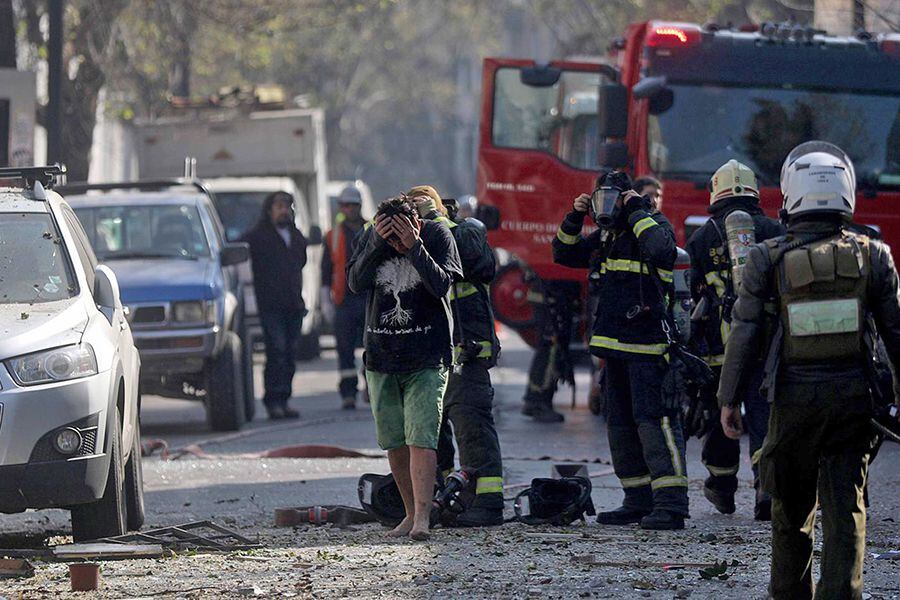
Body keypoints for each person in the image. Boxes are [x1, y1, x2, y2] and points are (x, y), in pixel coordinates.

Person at [718, 142, 900, 599]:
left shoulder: (766, 257)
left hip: (793, 401)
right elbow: (897, 335)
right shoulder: (874, 256)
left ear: (790, 194)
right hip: (854, 402)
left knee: (791, 509)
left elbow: (745, 333)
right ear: (847, 193)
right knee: (846, 510)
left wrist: (729, 399)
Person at [553, 171, 687, 530]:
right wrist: (574, 216)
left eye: (613, 197)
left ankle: (671, 504)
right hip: (613, 348)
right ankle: (637, 500)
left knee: (654, 424)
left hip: (648, 346)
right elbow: (563, 253)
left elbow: (663, 251)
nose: (607, 205)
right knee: (621, 427)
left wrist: (636, 209)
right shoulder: (606, 236)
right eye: (602, 198)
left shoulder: (651, 223)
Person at [347, 194, 462, 540]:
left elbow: (442, 284)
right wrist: (378, 244)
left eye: (402, 233)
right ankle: (409, 514)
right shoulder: (373, 239)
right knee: (394, 441)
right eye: (390, 235)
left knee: (422, 438)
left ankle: (424, 519)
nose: (396, 242)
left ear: (416, 224)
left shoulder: (437, 236)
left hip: (426, 357)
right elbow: (355, 282)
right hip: (382, 357)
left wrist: (414, 246)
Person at [685, 160, 784, 520]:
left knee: (719, 418)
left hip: (717, 348)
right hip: (765, 344)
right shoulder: (774, 229)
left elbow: (693, 295)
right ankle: (766, 491)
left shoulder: (702, 237)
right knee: (764, 418)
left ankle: (722, 488)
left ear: (716, 191)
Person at [408, 185, 505, 527]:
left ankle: (488, 502)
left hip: (468, 351)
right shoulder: (413, 247)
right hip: (431, 357)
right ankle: (449, 498)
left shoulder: (468, 231)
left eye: (421, 206)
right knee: (433, 435)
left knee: (472, 427)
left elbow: (473, 260)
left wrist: (433, 220)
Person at [241, 191, 307, 420]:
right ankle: (273, 401)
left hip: (293, 305)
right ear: (269, 210)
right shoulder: (257, 237)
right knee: (276, 351)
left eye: (287, 206)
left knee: (289, 354)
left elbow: (301, 262)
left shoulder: (296, 236)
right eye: (279, 206)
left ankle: (285, 399)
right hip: (271, 306)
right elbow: (239, 253)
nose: (283, 211)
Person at [321, 186, 368, 409]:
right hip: (344, 301)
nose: (348, 209)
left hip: (370, 300)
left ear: (359, 206)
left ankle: (372, 387)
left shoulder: (372, 230)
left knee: (374, 347)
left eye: (352, 205)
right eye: (344, 205)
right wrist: (325, 300)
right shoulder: (333, 235)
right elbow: (325, 270)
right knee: (345, 350)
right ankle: (348, 393)